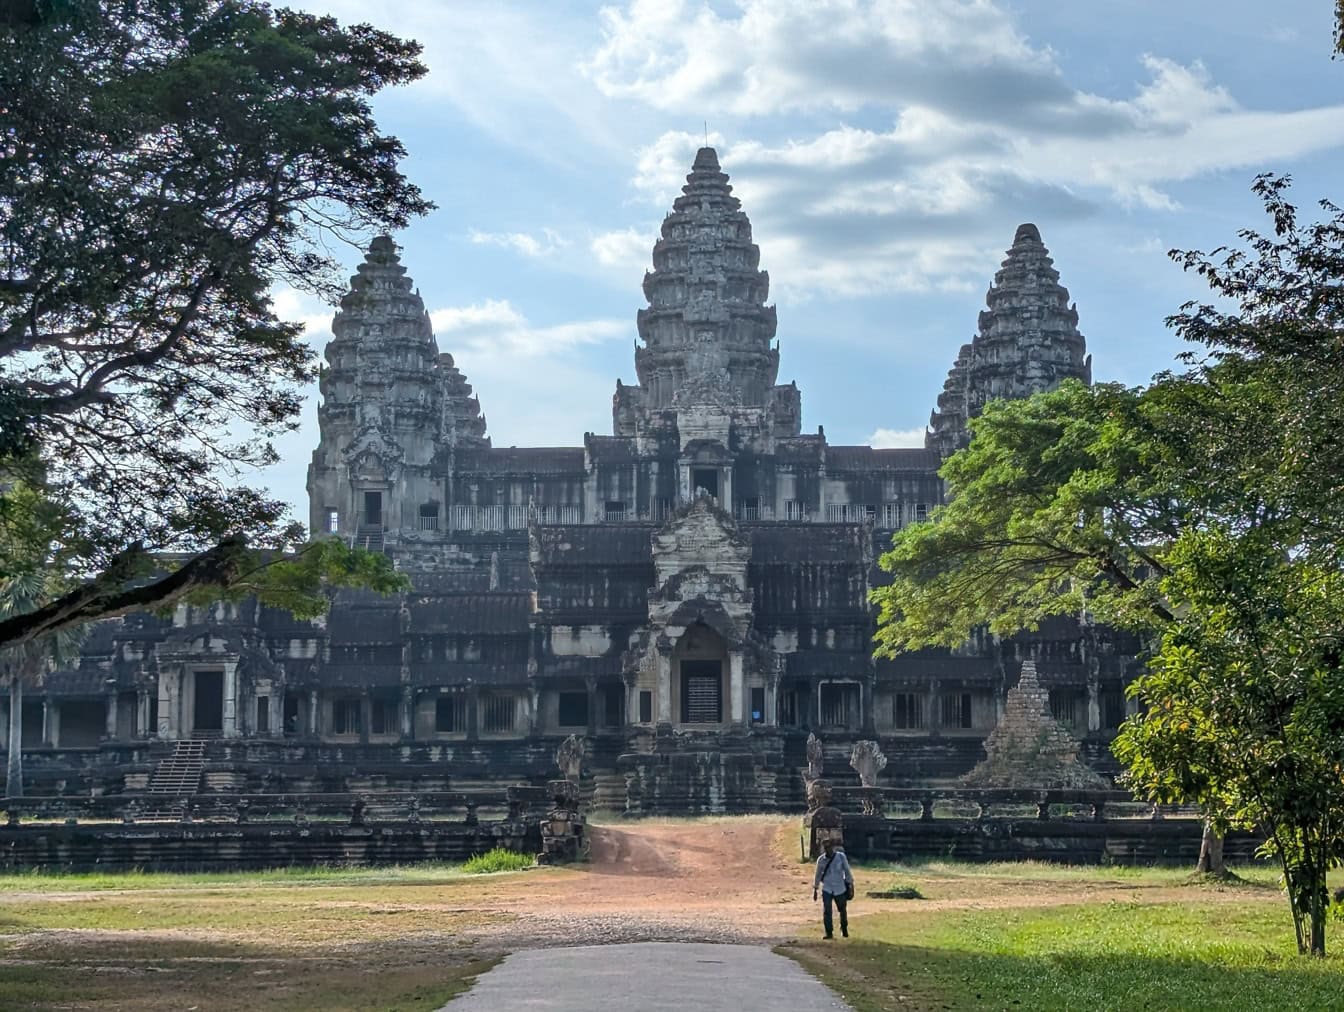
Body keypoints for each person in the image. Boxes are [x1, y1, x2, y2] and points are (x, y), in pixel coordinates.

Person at [812, 837, 854, 939]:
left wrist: (850, 884)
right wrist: (815, 889)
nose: (827, 850)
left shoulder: (840, 857)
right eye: (825, 848)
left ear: (832, 847)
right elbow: (817, 875)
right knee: (827, 911)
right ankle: (829, 932)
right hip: (827, 888)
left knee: (842, 910)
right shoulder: (821, 860)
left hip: (840, 888)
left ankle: (844, 929)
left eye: (829, 847)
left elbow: (847, 871)